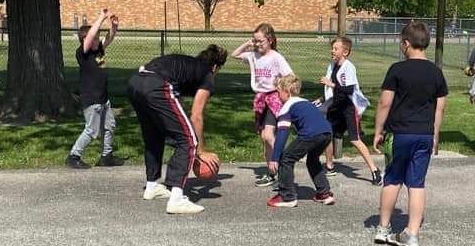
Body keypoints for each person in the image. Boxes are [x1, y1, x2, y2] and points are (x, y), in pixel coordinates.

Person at [371, 22, 448, 246]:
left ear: (406, 43)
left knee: (393, 178)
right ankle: (412, 234)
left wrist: (378, 130)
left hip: (399, 133)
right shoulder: (436, 72)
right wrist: (435, 135)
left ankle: (383, 227)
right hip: (424, 134)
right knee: (417, 183)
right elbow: (440, 108)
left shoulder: (397, 70)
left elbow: (385, 103)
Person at [127, 45, 227, 214]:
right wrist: (200, 151)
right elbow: (196, 115)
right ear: (216, 67)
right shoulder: (208, 74)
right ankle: (177, 199)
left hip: (135, 82)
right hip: (156, 85)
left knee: (153, 135)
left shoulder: (188, 65)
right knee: (188, 140)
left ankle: (152, 186)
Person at [231, 23, 294, 188]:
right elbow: (234, 54)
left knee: (268, 135)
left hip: (273, 98)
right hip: (260, 99)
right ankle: (272, 173)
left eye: (261, 41)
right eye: (255, 40)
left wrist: (281, 87)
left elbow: (291, 76)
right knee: (265, 140)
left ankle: (285, 164)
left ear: (270, 40)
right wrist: (248, 43)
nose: (257, 44)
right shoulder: (253, 55)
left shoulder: (276, 57)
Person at [66, 9, 125, 169]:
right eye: (95, 38)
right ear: (86, 39)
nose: (98, 39)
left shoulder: (98, 51)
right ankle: (74, 156)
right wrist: (101, 17)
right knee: (92, 131)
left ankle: (106, 157)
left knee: (109, 126)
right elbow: (91, 35)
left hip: (103, 98)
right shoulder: (82, 53)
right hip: (91, 99)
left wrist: (114, 26)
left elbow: (109, 38)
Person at [318, 36, 381, 185]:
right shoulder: (332, 65)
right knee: (327, 134)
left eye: (336, 48)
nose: (332, 51)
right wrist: (322, 99)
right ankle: (329, 166)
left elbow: (349, 90)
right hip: (336, 107)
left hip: (348, 107)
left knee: (354, 139)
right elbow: (333, 91)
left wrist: (331, 84)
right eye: (332, 48)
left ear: (345, 52)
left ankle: (374, 170)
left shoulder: (349, 67)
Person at [266, 74, 335, 208]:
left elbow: (282, 134)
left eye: (279, 92)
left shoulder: (286, 107)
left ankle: (287, 197)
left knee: (286, 159)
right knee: (312, 160)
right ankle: (324, 193)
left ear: (287, 92)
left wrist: (275, 158)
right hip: (327, 132)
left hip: (310, 134)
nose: (278, 96)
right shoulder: (306, 102)